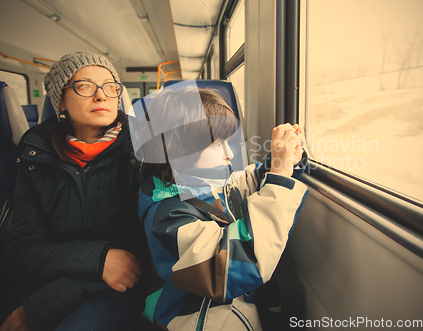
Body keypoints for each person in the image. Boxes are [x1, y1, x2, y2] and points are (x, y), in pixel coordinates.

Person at [134, 83, 310, 330]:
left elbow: (242, 186)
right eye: (218, 144)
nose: (229, 153)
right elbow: (233, 268)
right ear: (178, 151)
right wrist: (279, 176)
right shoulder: (167, 216)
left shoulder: (199, 181)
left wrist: (282, 162)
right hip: (197, 320)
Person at [1, 51, 151, 331]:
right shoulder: (34, 155)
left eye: (110, 86)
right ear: (61, 101)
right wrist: (97, 259)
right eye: (84, 86)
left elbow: (133, 260)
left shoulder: (143, 151)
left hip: (116, 291)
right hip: (42, 285)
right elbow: (22, 251)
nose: (101, 96)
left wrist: (43, 305)